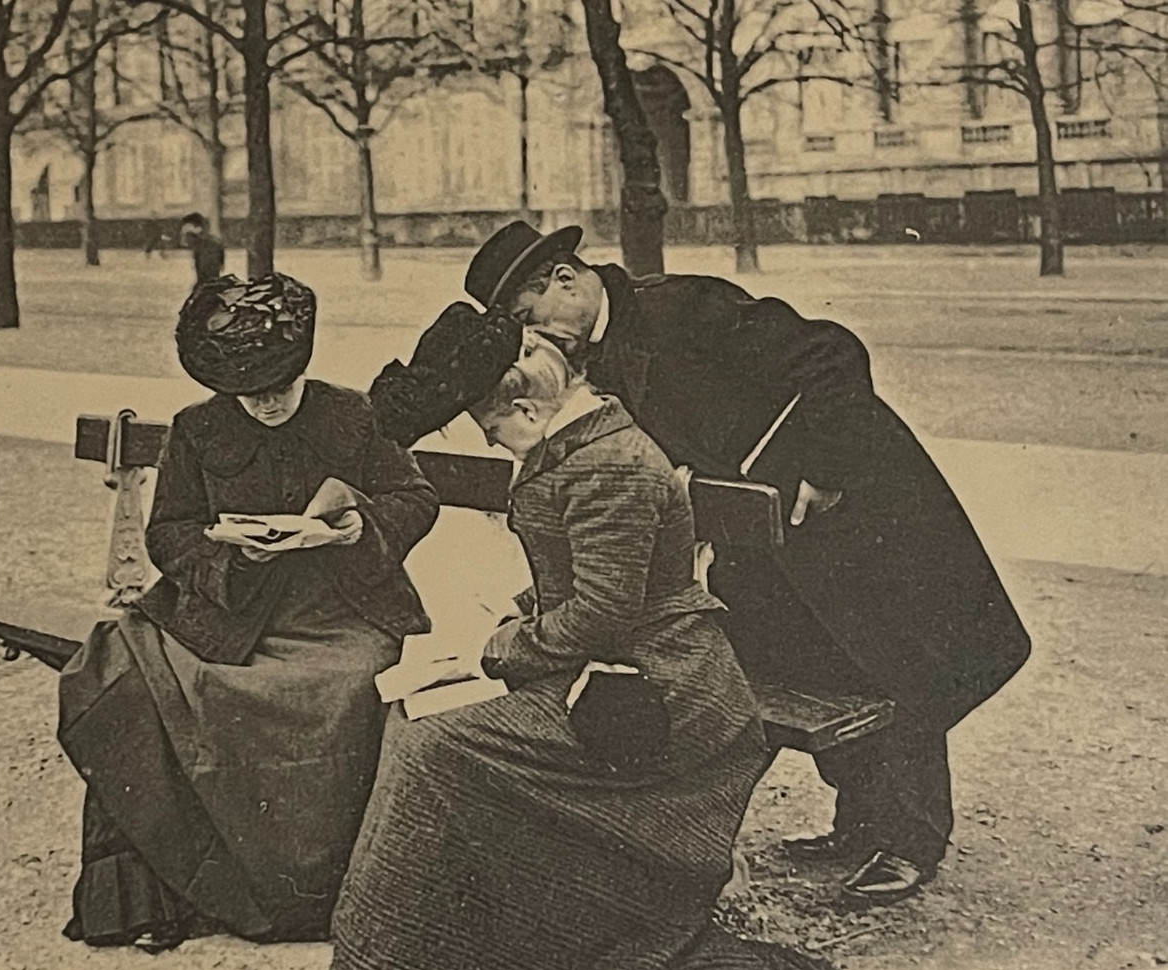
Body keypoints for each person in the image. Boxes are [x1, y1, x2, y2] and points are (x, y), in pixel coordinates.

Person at [386, 220, 1031, 908]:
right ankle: (861, 823)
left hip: (853, 507)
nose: (540, 335)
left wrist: (824, 467)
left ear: (567, 280)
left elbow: (833, 354)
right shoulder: (589, 355)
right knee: (816, 661)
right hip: (764, 537)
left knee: (889, 656)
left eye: (529, 315)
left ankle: (910, 841)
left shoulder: (684, 306)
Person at [329, 337, 860, 970]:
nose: (492, 441)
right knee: (419, 721)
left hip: (663, 689)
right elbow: (581, 587)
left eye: (491, 427)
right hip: (607, 669)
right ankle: (461, 960)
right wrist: (508, 628)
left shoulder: (610, 465)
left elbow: (604, 612)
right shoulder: (577, 444)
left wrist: (497, 651)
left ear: (527, 406)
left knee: (434, 749)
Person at [57, 272, 438, 952]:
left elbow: (414, 496)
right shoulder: (197, 428)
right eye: (246, 393)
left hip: (339, 610)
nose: (263, 405)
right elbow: (168, 532)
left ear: (301, 368)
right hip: (227, 614)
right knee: (128, 676)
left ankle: (326, 894)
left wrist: (360, 528)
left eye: (276, 387)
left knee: (348, 685)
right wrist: (231, 557)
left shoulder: (351, 414)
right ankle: (160, 895)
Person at [179, 212, 225, 285]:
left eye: (186, 235)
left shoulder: (207, 247)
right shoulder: (202, 246)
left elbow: (208, 277)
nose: (185, 240)